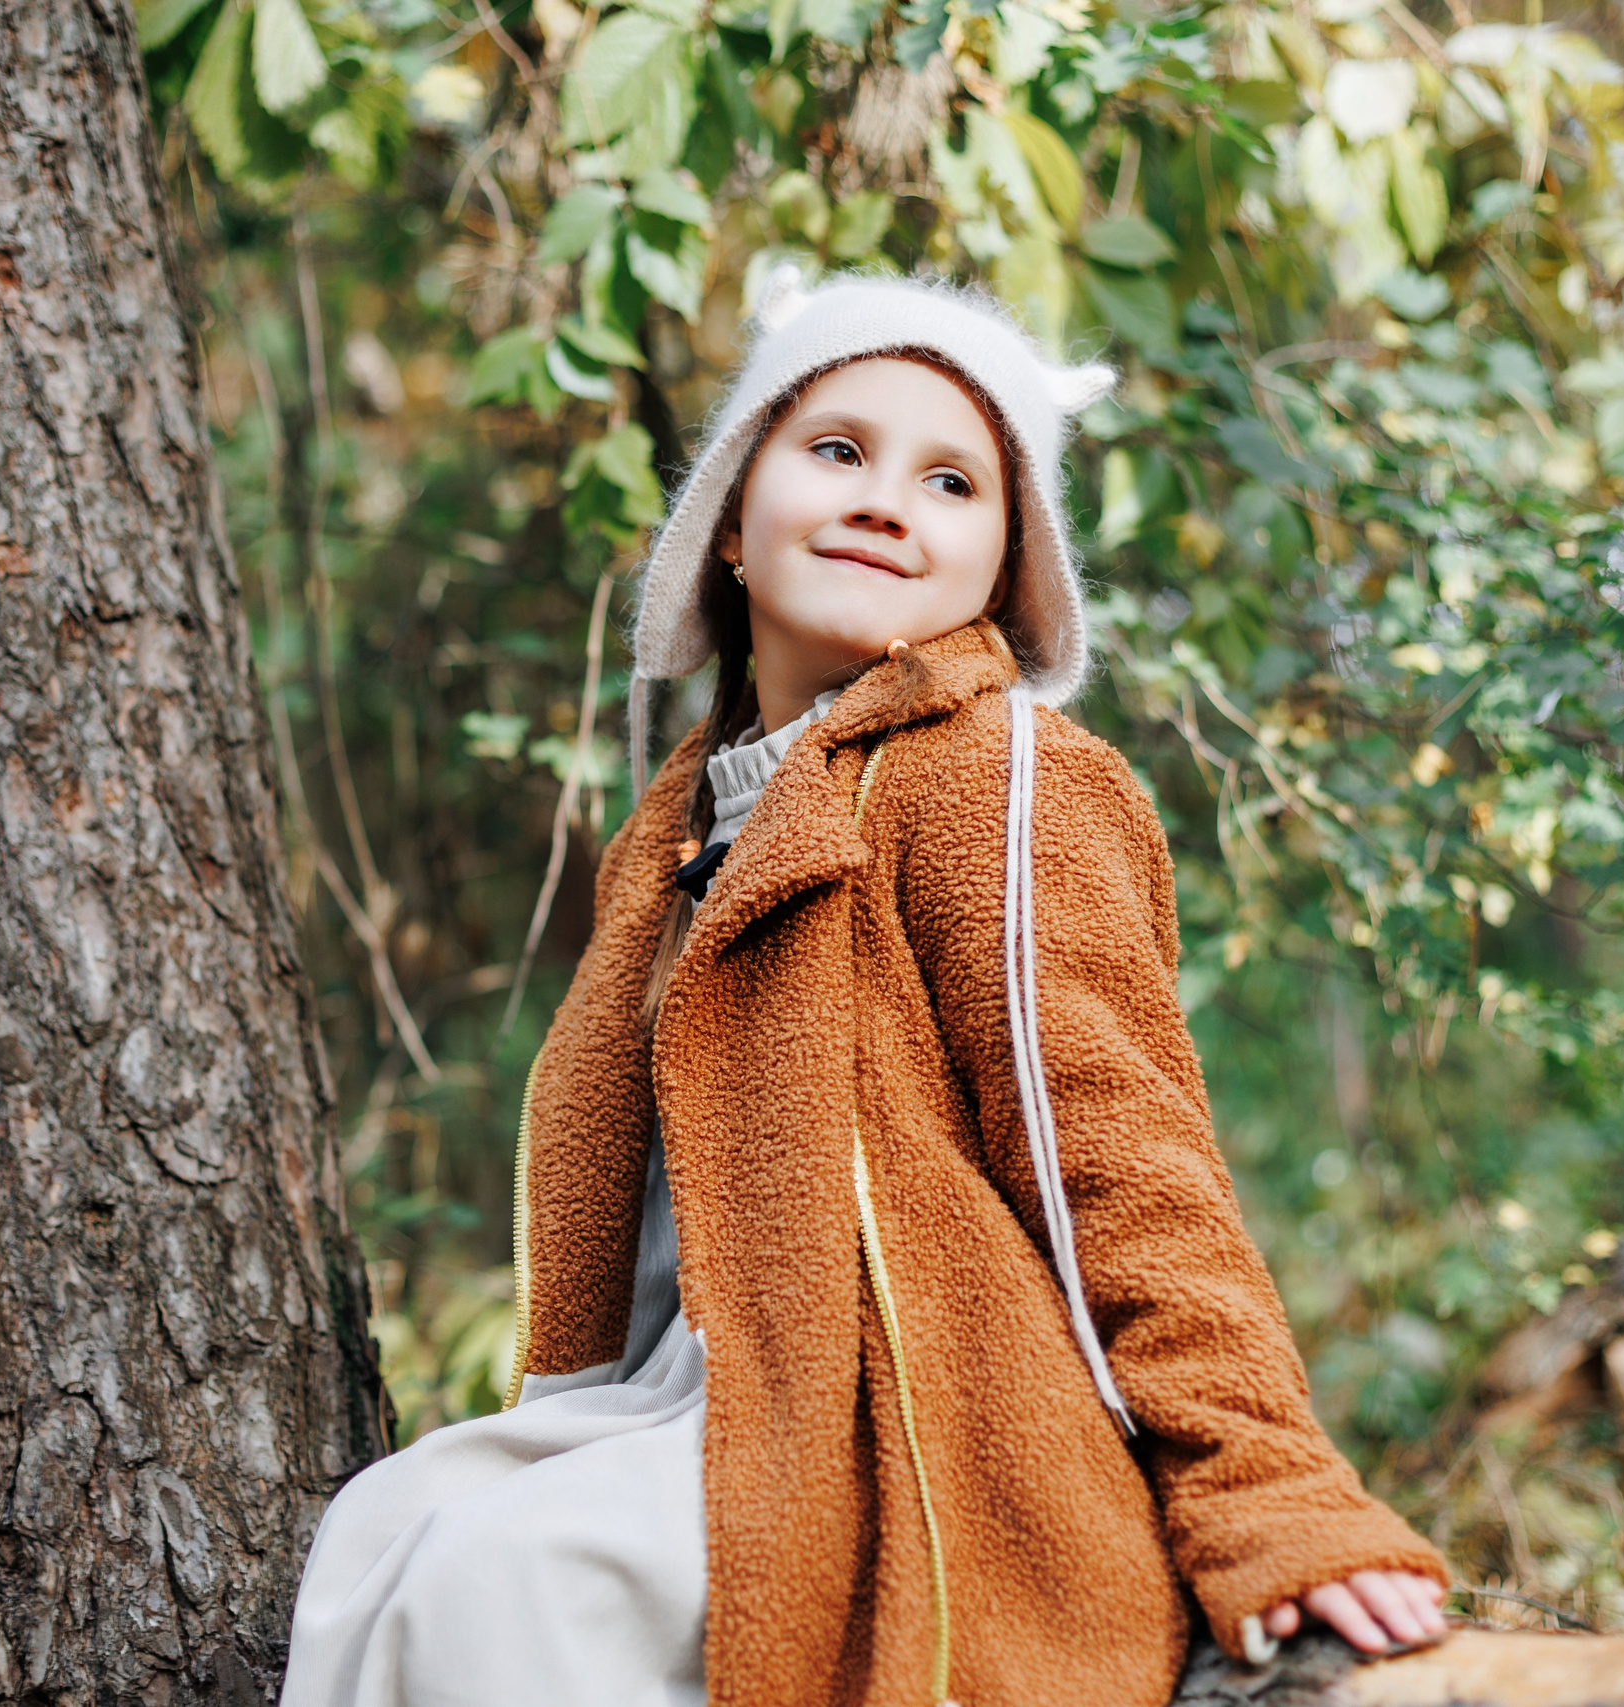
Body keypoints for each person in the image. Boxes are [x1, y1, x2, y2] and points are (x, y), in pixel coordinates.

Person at [282, 267, 1449, 1707]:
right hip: (700, 1388)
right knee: (379, 1530)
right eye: (837, 450)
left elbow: (1124, 1158)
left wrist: (1270, 1489)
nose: (888, 502)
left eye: (952, 482)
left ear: (1003, 572)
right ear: (730, 520)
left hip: (910, 1407)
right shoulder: (681, 824)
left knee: (507, 1578)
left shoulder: (999, 778)